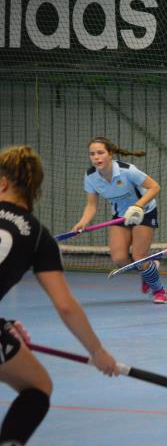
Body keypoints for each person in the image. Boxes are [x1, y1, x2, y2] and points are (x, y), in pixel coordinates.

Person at [0, 145, 119, 446]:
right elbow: (66, 306)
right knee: (37, 388)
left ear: (3, 183)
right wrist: (97, 352)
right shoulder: (38, 236)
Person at [72, 136, 167, 304]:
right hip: (121, 216)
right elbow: (91, 205)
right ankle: (149, 267)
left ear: (110, 154)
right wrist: (83, 221)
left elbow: (155, 187)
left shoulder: (128, 171)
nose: (96, 157)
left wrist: (137, 206)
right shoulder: (90, 176)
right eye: (92, 154)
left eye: (100, 153)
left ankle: (158, 290)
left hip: (144, 211)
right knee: (119, 259)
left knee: (139, 256)